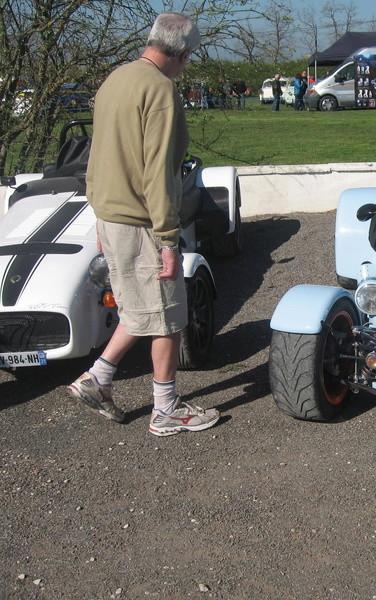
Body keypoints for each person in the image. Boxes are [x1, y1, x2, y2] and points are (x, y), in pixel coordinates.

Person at [67, 12, 220, 437]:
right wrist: (169, 241)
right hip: (142, 221)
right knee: (170, 316)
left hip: (111, 216)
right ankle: (166, 409)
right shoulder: (161, 90)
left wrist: (98, 212)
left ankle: (97, 378)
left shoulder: (116, 79)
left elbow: (97, 155)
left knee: (139, 307)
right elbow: (158, 173)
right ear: (183, 54)